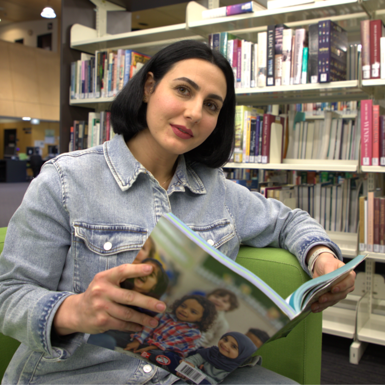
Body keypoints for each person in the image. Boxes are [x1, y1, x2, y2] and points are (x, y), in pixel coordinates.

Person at [0, 39, 355, 385]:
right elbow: (10, 295)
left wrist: (321, 256)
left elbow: (288, 221)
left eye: (212, 105)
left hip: (190, 373)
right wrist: (74, 310)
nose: (195, 113)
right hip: (82, 373)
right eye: (184, 90)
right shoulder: (65, 181)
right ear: (149, 87)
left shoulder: (218, 190)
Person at [124, 294, 217, 357]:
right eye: (183, 306)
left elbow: (170, 344)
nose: (184, 310)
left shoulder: (194, 333)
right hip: (146, 341)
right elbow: (148, 328)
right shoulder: (166, 315)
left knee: (158, 355)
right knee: (123, 336)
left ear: (201, 318)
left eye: (193, 312)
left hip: (163, 350)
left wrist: (148, 348)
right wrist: (138, 341)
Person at [179, 332, 257, 385]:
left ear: (242, 355)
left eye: (233, 346)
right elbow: (190, 361)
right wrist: (186, 368)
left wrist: (193, 371)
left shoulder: (235, 372)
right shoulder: (211, 352)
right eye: (225, 339)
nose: (225, 344)